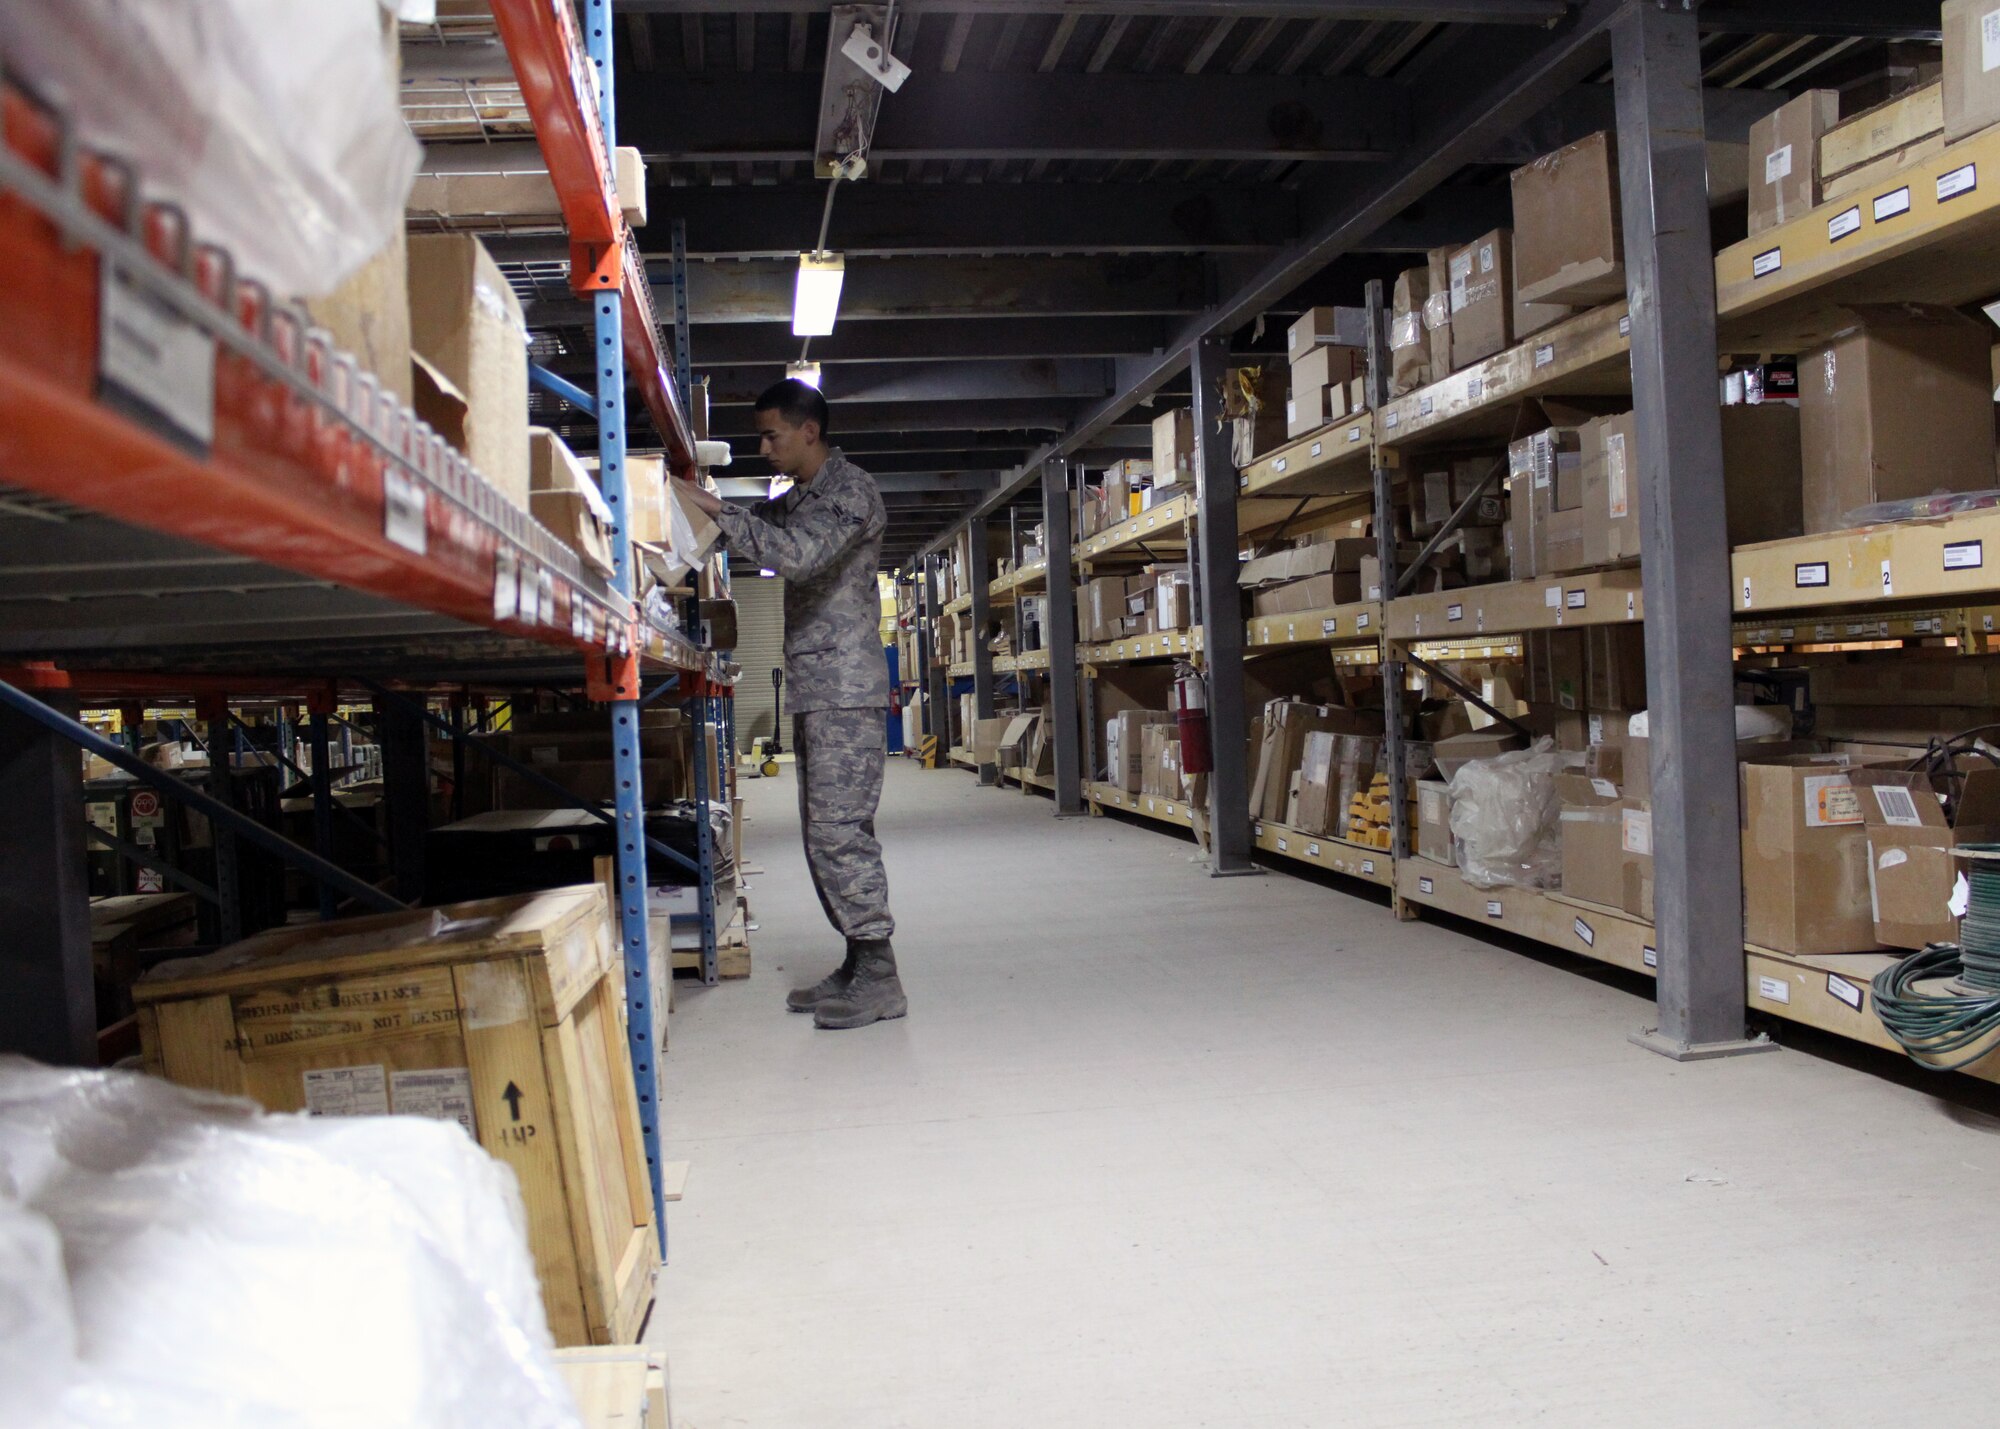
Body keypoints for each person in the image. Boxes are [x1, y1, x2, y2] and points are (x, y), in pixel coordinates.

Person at [673, 379, 905, 1030]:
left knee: (840, 832)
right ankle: (859, 960)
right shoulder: (800, 498)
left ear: (810, 431)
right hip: (817, 686)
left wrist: (717, 510)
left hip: (844, 688)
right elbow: (758, 531)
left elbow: (798, 556)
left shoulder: (850, 491)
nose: (764, 448)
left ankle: (879, 972)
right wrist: (702, 508)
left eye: (772, 435)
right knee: (821, 832)